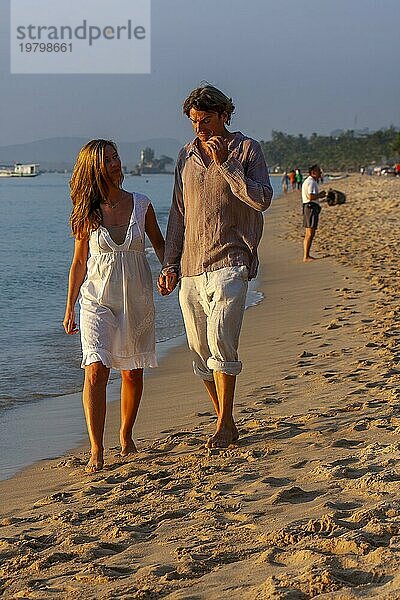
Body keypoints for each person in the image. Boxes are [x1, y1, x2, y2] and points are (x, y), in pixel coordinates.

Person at [158, 84, 273, 449]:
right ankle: (226, 417)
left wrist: (228, 164)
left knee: (222, 342)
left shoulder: (247, 149)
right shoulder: (186, 156)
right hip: (191, 265)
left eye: (206, 119)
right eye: (194, 121)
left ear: (225, 114)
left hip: (232, 260)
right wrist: (169, 265)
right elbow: (179, 214)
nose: (200, 127)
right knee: (199, 352)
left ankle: (224, 423)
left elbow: (261, 200)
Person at [63, 139, 165, 472]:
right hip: (96, 300)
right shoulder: (86, 212)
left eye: (117, 157)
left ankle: (126, 435)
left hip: (136, 297)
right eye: (108, 160)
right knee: (95, 368)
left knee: (132, 372)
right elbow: (79, 263)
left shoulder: (141, 204)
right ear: (94, 167)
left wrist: (171, 272)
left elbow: (161, 246)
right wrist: (69, 307)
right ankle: (96, 449)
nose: (116, 164)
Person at [302, 164, 326, 262]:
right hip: (310, 207)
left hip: (309, 207)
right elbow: (310, 197)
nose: (320, 173)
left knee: (309, 233)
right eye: (319, 171)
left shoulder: (310, 181)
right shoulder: (311, 182)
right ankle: (306, 256)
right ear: (313, 172)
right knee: (310, 233)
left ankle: (306, 255)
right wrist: (321, 195)